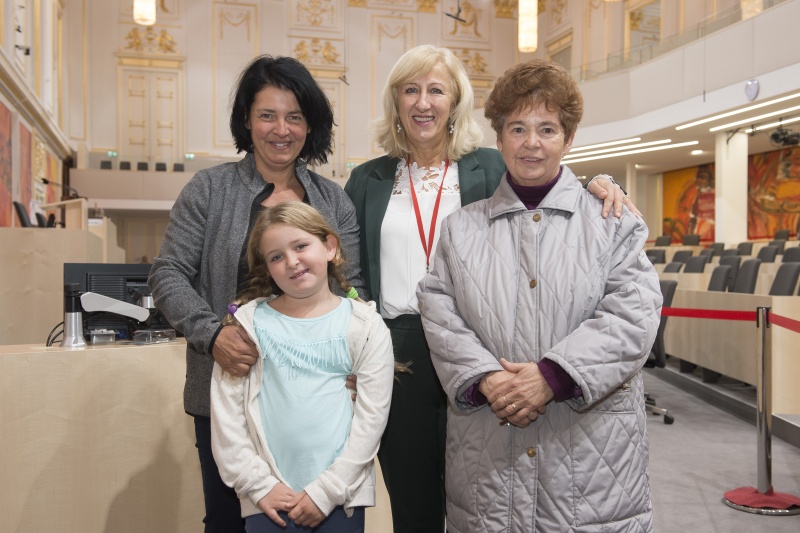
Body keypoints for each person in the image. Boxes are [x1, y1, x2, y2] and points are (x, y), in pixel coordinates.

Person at [344, 44, 638, 532]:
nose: (423, 102)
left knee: (484, 491)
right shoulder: (367, 179)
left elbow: (543, 180)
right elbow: (349, 275)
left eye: (436, 90)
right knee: (413, 495)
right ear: (394, 101)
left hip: (487, 344)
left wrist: (600, 183)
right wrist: (354, 349)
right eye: (410, 90)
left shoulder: (489, 161)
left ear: (455, 101)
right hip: (398, 353)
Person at [416, 58, 662, 532]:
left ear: (569, 139)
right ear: (499, 137)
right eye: (518, 128)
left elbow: (633, 314)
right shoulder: (461, 229)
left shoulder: (614, 222)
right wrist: (486, 378)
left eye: (547, 129)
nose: (531, 143)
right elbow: (438, 310)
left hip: (589, 458)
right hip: (490, 450)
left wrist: (552, 376)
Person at [148, 55, 365, 532]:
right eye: (267, 115)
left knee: (315, 519)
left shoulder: (333, 201)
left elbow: (353, 290)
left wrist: (358, 361)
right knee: (228, 523)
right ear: (246, 120)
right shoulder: (209, 190)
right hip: (226, 393)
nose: (280, 129)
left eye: (294, 116)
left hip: (317, 405)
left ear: (311, 124)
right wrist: (211, 335)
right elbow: (167, 275)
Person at [210, 202, 394, 532]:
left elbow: (372, 420)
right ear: (266, 269)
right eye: (276, 256)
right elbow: (227, 418)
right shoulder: (246, 327)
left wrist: (327, 491)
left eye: (301, 246)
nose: (292, 261)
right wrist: (259, 486)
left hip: (339, 498)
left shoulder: (365, 325)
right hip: (267, 500)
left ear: (330, 247)